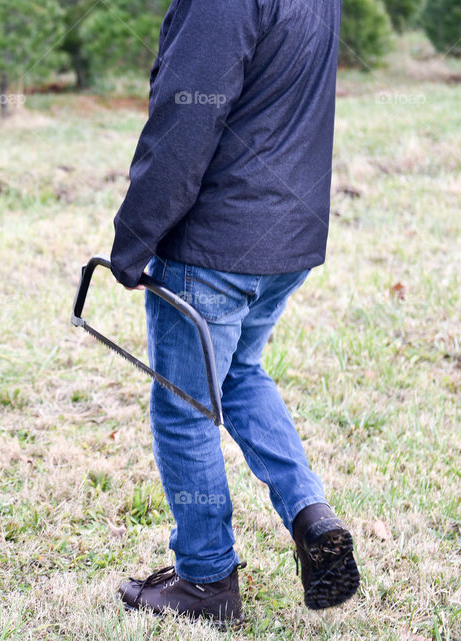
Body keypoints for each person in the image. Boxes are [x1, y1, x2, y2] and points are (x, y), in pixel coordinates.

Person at [108, 0, 359, 627]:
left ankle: (205, 579)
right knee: (240, 373)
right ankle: (311, 514)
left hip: (218, 243)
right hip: (288, 233)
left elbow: (185, 120)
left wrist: (136, 236)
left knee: (184, 407)